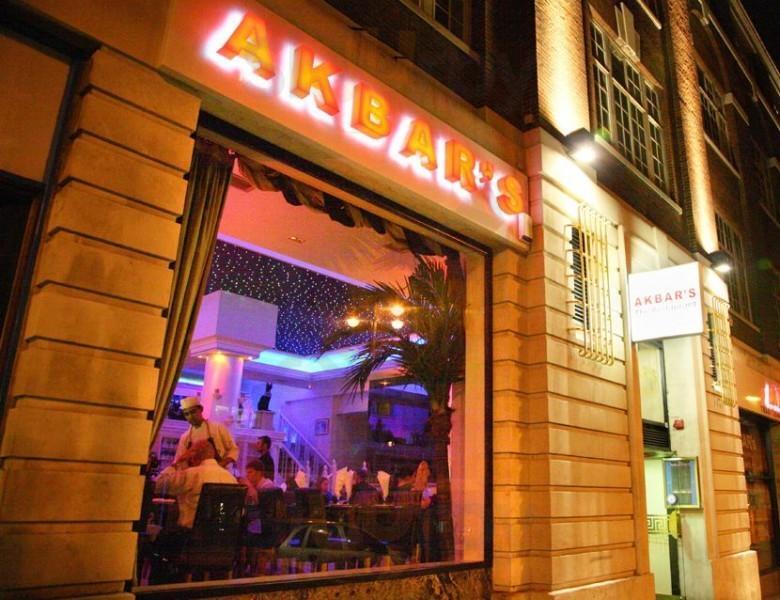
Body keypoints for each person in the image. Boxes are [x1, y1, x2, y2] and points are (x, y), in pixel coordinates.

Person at [155, 440, 238, 528]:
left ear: (192, 456)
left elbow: (158, 485)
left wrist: (178, 462)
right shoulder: (231, 479)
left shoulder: (191, 474)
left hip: (190, 533)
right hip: (221, 533)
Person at [173, 396, 239, 470]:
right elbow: (179, 460)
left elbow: (233, 450)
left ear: (201, 409)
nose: (190, 416)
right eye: (187, 414)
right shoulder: (185, 437)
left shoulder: (218, 428)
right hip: (195, 474)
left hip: (218, 472)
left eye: (193, 412)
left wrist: (220, 465)